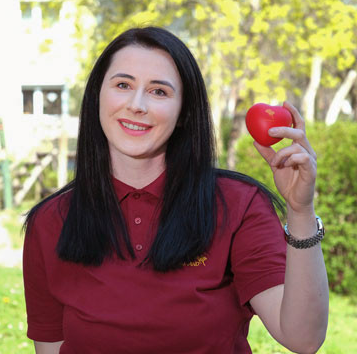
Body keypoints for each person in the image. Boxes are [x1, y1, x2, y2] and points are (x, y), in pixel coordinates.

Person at [21, 27, 327, 353]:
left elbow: (302, 338)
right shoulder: (50, 221)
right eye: (123, 85)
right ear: (97, 95)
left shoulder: (238, 205)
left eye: (159, 92)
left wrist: (300, 213)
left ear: (184, 113)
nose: (137, 105)